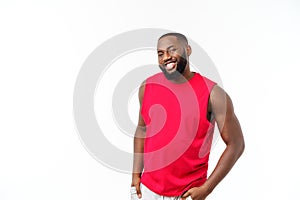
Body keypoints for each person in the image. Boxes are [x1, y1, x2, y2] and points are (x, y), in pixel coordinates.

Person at [131, 32, 245, 200]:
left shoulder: (213, 94)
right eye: (160, 53)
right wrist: (135, 176)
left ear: (188, 50)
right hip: (147, 191)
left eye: (172, 50)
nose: (166, 57)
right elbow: (142, 130)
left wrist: (206, 188)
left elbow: (236, 144)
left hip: (187, 193)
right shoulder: (148, 86)